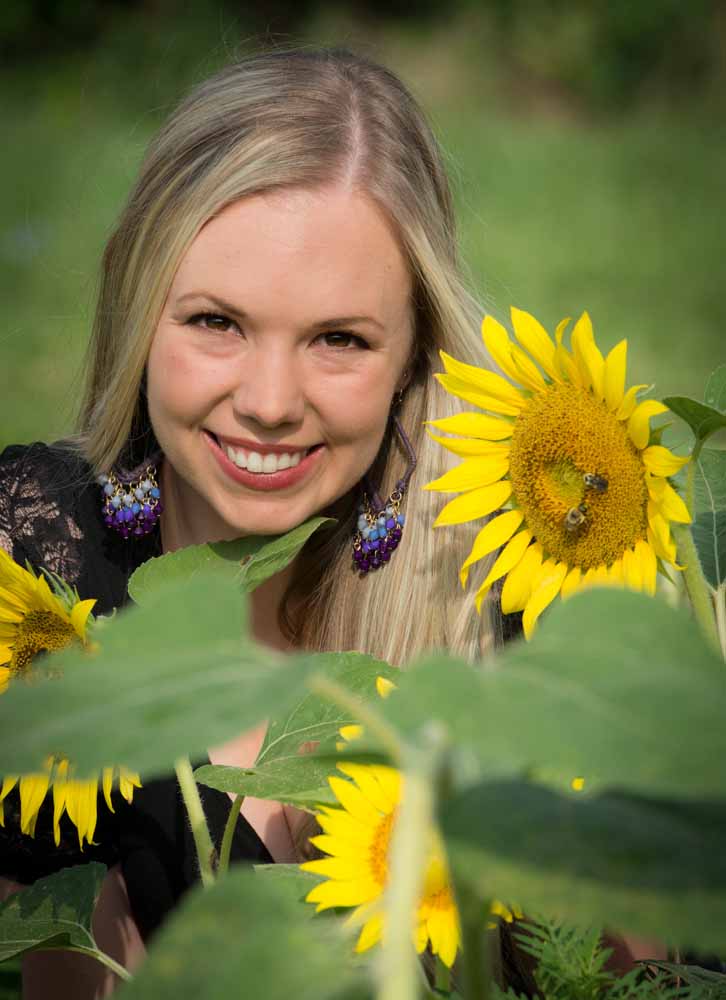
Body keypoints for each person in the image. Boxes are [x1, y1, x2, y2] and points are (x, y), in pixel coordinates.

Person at [1, 47, 525, 998]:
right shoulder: (35, 571)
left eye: (339, 340)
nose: (271, 402)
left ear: (413, 356)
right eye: (217, 323)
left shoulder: (496, 586)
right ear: (135, 305)